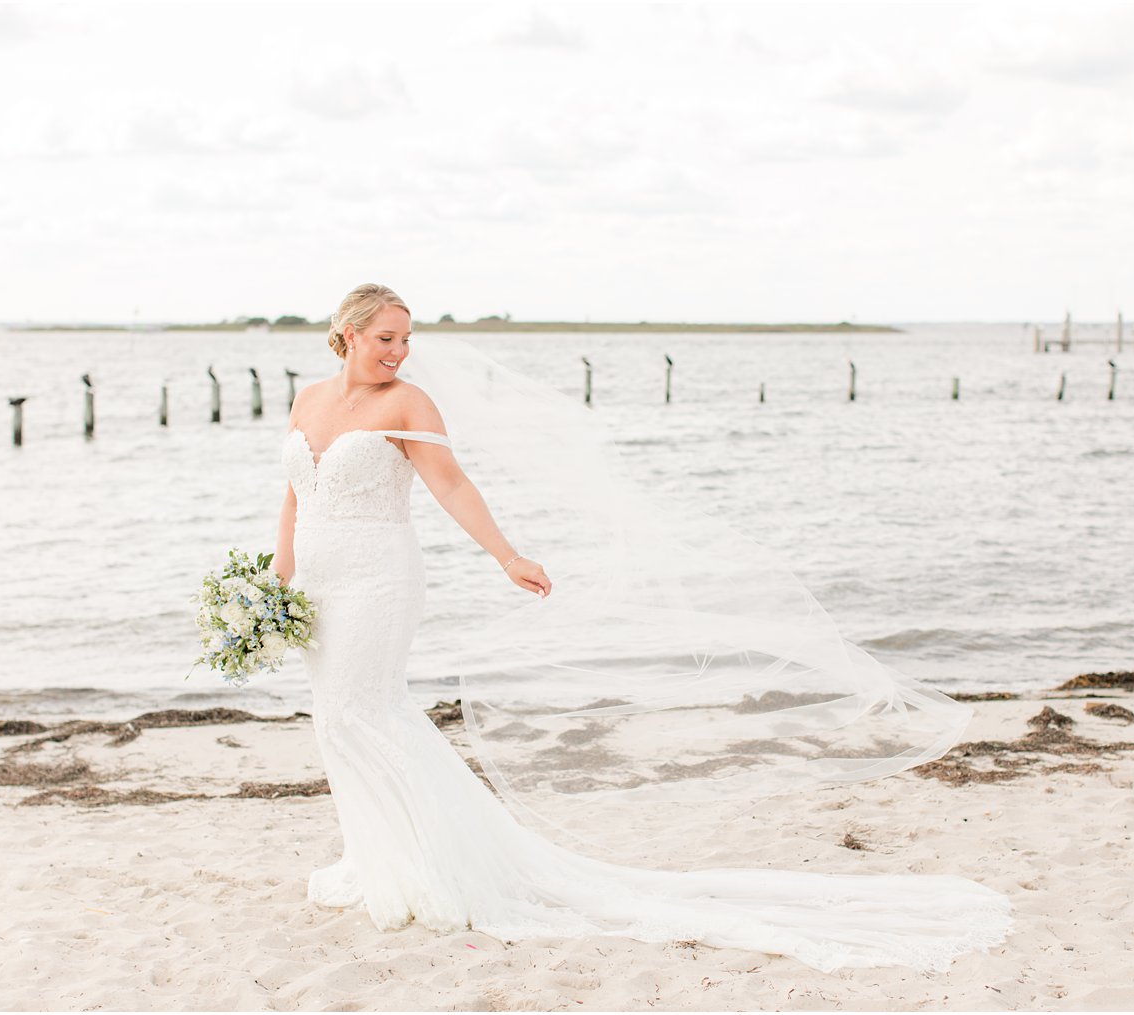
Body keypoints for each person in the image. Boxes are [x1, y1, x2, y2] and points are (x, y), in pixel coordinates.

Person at [274, 282, 1014, 974]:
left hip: (379, 577)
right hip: (318, 580)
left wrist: (506, 554)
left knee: (361, 711)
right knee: (335, 720)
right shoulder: (308, 399)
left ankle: (427, 864)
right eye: (384, 339)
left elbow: (451, 485)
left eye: (405, 339)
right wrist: (278, 572)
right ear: (346, 334)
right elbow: (294, 487)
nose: (398, 351)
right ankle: (373, 856)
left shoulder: (409, 402)